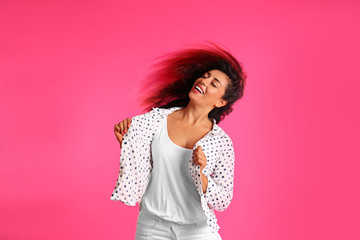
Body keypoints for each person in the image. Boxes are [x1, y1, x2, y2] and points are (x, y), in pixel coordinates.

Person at [111, 41, 247, 240]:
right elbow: (140, 170)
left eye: (213, 84)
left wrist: (202, 176)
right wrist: (127, 144)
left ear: (220, 101)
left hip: (198, 230)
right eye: (205, 76)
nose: (203, 81)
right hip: (153, 227)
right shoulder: (155, 120)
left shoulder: (221, 142)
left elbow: (223, 201)